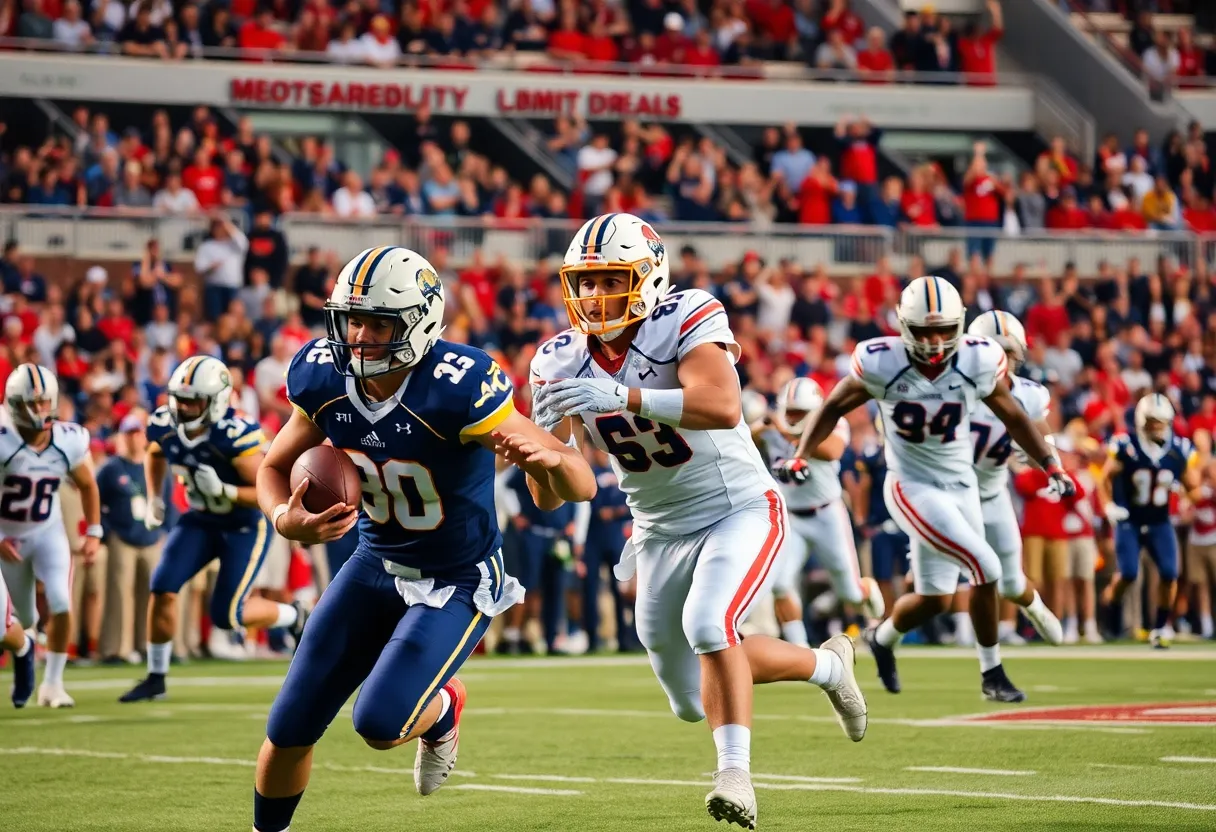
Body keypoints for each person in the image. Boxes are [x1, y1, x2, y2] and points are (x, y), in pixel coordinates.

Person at [529, 213, 867, 830]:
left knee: (711, 624)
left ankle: (734, 775)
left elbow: (721, 404)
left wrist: (624, 397)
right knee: (689, 698)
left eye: (611, 280)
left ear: (647, 277)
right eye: (586, 282)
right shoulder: (557, 360)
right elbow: (555, 497)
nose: (596, 296)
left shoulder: (683, 316)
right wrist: (538, 451)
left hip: (734, 506)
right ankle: (825, 665)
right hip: (656, 528)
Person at [251, 246, 596, 832]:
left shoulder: (458, 384)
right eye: (351, 320)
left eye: (378, 323)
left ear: (419, 321)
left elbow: (578, 481)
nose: (358, 337)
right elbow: (271, 468)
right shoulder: (323, 377)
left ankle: (442, 711)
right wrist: (284, 520)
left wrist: (548, 462)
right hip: (374, 561)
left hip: (457, 579)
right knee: (288, 726)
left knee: (380, 724)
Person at [790, 276, 1074, 703]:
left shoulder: (977, 361)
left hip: (962, 486)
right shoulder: (882, 361)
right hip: (912, 485)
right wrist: (800, 453)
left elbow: (1016, 418)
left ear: (961, 325)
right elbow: (832, 405)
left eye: (944, 330)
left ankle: (881, 638)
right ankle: (991, 673)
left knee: (935, 601)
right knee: (986, 566)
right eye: (924, 330)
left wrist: (1050, 463)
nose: (936, 340)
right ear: (904, 326)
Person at [119, 356, 303, 703]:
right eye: (180, 399)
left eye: (193, 401)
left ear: (216, 401)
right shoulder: (164, 423)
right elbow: (155, 453)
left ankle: (295, 615)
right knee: (162, 587)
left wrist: (226, 490)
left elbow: (268, 492)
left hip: (242, 526)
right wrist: (155, 497)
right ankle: (156, 676)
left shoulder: (235, 436)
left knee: (227, 615)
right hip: (200, 519)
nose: (184, 408)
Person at [0, 364, 102, 708]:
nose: (41, 410)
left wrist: (94, 531)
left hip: (46, 529)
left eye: (45, 402)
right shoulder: (3, 437)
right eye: (33, 403)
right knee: (21, 620)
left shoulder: (67, 439)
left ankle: (53, 684)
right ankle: (25, 649)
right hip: (5, 535)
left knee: (60, 601)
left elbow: (87, 484)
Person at [964, 312, 1063, 645]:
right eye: (993, 350)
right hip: (952, 495)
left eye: (1007, 352)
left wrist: (1051, 466)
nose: (1001, 359)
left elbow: (1042, 441)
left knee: (1010, 582)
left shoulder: (1029, 395)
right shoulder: (954, 390)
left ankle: (1033, 607)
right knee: (938, 578)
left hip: (992, 494)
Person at [769, 377, 884, 647]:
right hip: (791, 518)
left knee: (850, 594)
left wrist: (783, 430)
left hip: (827, 516)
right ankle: (800, 649)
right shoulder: (772, 424)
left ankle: (865, 588)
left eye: (800, 412)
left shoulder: (833, 423)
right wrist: (756, 428)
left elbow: (830, 451)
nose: (793, 417)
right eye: (789, 411)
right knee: (780, 584)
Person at [1101, 394, 1203, 648]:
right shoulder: (1126, 445)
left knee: (1170, 573)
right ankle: (1110, 611)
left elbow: (1193, 487)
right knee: (1127, 574)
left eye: (1161, 421)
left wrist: (1187, 496)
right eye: (1152, 421)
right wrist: (1108, 505)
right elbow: (1105, 477)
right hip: (1129, 520)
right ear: (1141, 421)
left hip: (1160, 520)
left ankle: (1159, 627)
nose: (1157, 426)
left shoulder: (1179, 449)